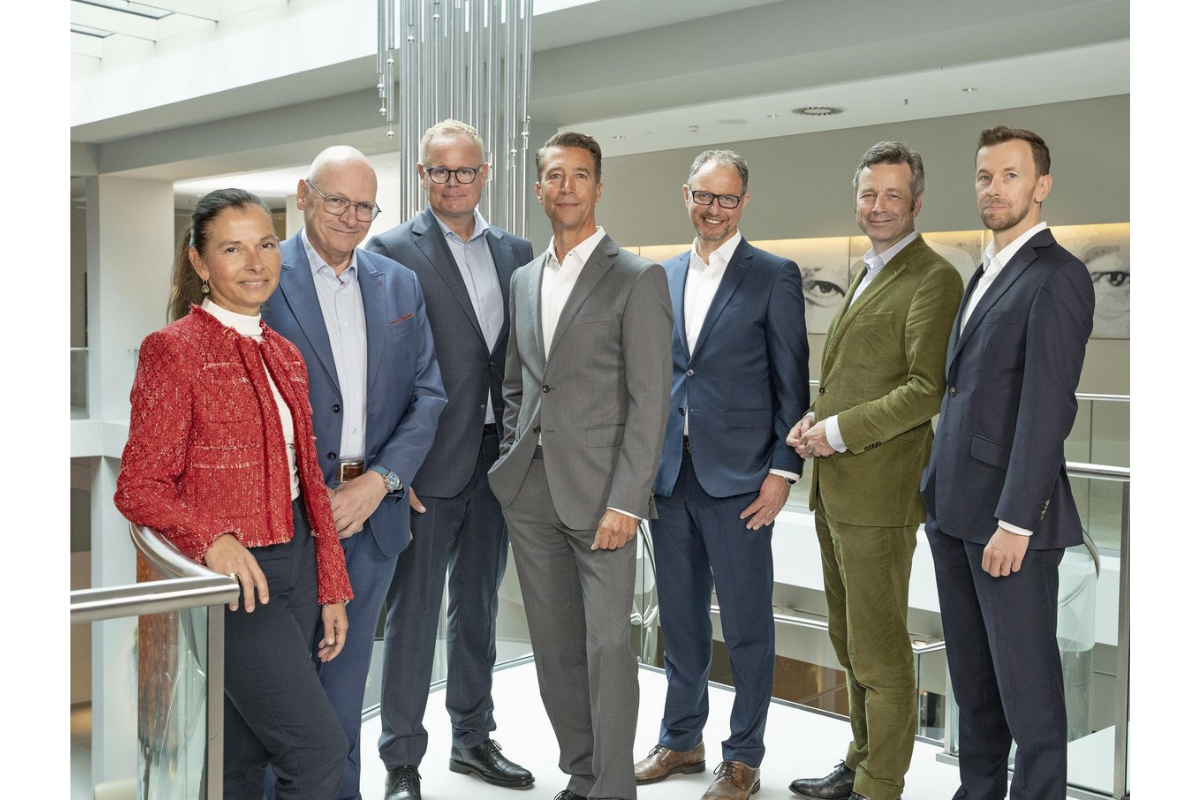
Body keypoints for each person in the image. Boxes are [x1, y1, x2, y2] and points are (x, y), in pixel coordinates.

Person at [115, 188, 353, 799]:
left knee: (239, 759)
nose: (255, 262)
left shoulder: (285, 353)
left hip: (299, 565)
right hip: (235, 583)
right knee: (318, 754)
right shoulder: (172, 350)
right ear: (199, 263)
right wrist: (211, 540)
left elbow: (309, 484)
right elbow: (139, 485)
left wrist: (331, 584)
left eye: (266, 244)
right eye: (232, 249)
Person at [486, 131, 672, 800]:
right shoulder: (523, 278)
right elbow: (516, 383)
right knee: (555, 646)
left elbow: (651, 401)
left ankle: (613, 787)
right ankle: (582, 772)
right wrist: (512, 452)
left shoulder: (638, 277)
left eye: (581, 175)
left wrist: (628, 500)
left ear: (598, 187)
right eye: (555, 176)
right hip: (529, 490)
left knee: (608, 648)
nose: (567, 187)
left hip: (602, 498)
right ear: (539, 189)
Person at [261, 146, 447, 800]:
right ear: (303, 195)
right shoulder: (262, 276)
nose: (351, 216)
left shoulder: (398, 283)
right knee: (280, 704)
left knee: (343, 696)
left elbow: (429, 395)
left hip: (372, 522)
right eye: (336, 200)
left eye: (364, 206)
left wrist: (382, 480)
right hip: (287, 524)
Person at [920, 126, 1094, 800]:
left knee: (1030, 697)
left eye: (1011, 176)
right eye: (985, 176)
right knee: (975, 686)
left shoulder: (1058, 276)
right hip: (954, 512)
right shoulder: (986, 269)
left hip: (1007, 525)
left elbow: (1048, 409)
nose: (994, 189)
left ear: (1041, 186)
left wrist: (1017, 521)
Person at [364, 119, 535, 800]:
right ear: (422, 175)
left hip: (500, 458)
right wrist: (392, 469)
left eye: (465, 170)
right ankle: (402, 760)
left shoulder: (517, 251)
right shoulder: (389, 250)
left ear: (485, 173)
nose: (453, 182)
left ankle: (472, 738)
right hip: (427, 463)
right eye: (440, 170)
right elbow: (379, 372)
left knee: (479, 605)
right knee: (414, 614)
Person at [786, 142, 963, 800]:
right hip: (835, 490)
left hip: (880, 495)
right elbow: (857, 376)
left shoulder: (933, 277)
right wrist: (814, 418)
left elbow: (925, 389)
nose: (878, 205)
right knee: (848, 639)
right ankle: (859, 761)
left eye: (892, 194)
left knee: (880, 648)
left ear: (917, 201)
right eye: (868, 194)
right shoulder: (868, 270)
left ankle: (880, 785)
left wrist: (835, 432)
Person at [635, 149, 809, 800]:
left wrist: (782, 471)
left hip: (740, 483)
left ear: (744, 203)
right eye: (704, 196)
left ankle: (743, 759)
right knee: (680, 623)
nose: (714, 209)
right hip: (670, 477)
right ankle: (681, 739)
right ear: (687, 196)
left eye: (727, 198)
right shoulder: (660, 275)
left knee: (746, 629)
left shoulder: (774, 275)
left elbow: (792, 383)